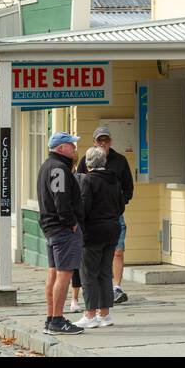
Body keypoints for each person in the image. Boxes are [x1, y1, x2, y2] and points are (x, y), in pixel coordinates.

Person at [76, 125, 135, 305]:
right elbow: (78, 183)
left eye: (106, 140)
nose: (103, 143)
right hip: (92, 216)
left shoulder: (120, 160)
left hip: (113, 214)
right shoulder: (87, 160)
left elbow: (127, 188)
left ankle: (116, 287)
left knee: (117, 251)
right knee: (93, 258)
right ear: (94, 142)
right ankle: (94, 299)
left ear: (110, 141)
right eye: (99, 140)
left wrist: (119, 204)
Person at [37, 131, 85, 335]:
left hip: (50, 228)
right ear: (61, 148)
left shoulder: (47, 166)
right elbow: (61, 200)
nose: (74, 149)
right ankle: (57, 319)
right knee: (64, 275)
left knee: (54, 273)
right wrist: (71, 223)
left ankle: (51, 318)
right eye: (71, 145)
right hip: (62, 229)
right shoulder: (58, 169)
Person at [74, 146, 124, 328]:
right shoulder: (114, 180)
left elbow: (84, 207)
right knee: (105, 272)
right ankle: (105, 314)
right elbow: (121, 206)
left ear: (88, 164)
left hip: (93, 231)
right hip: (112, 229)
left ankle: (90, 314)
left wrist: (79, 225)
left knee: (88, 273)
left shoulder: (88, 180)